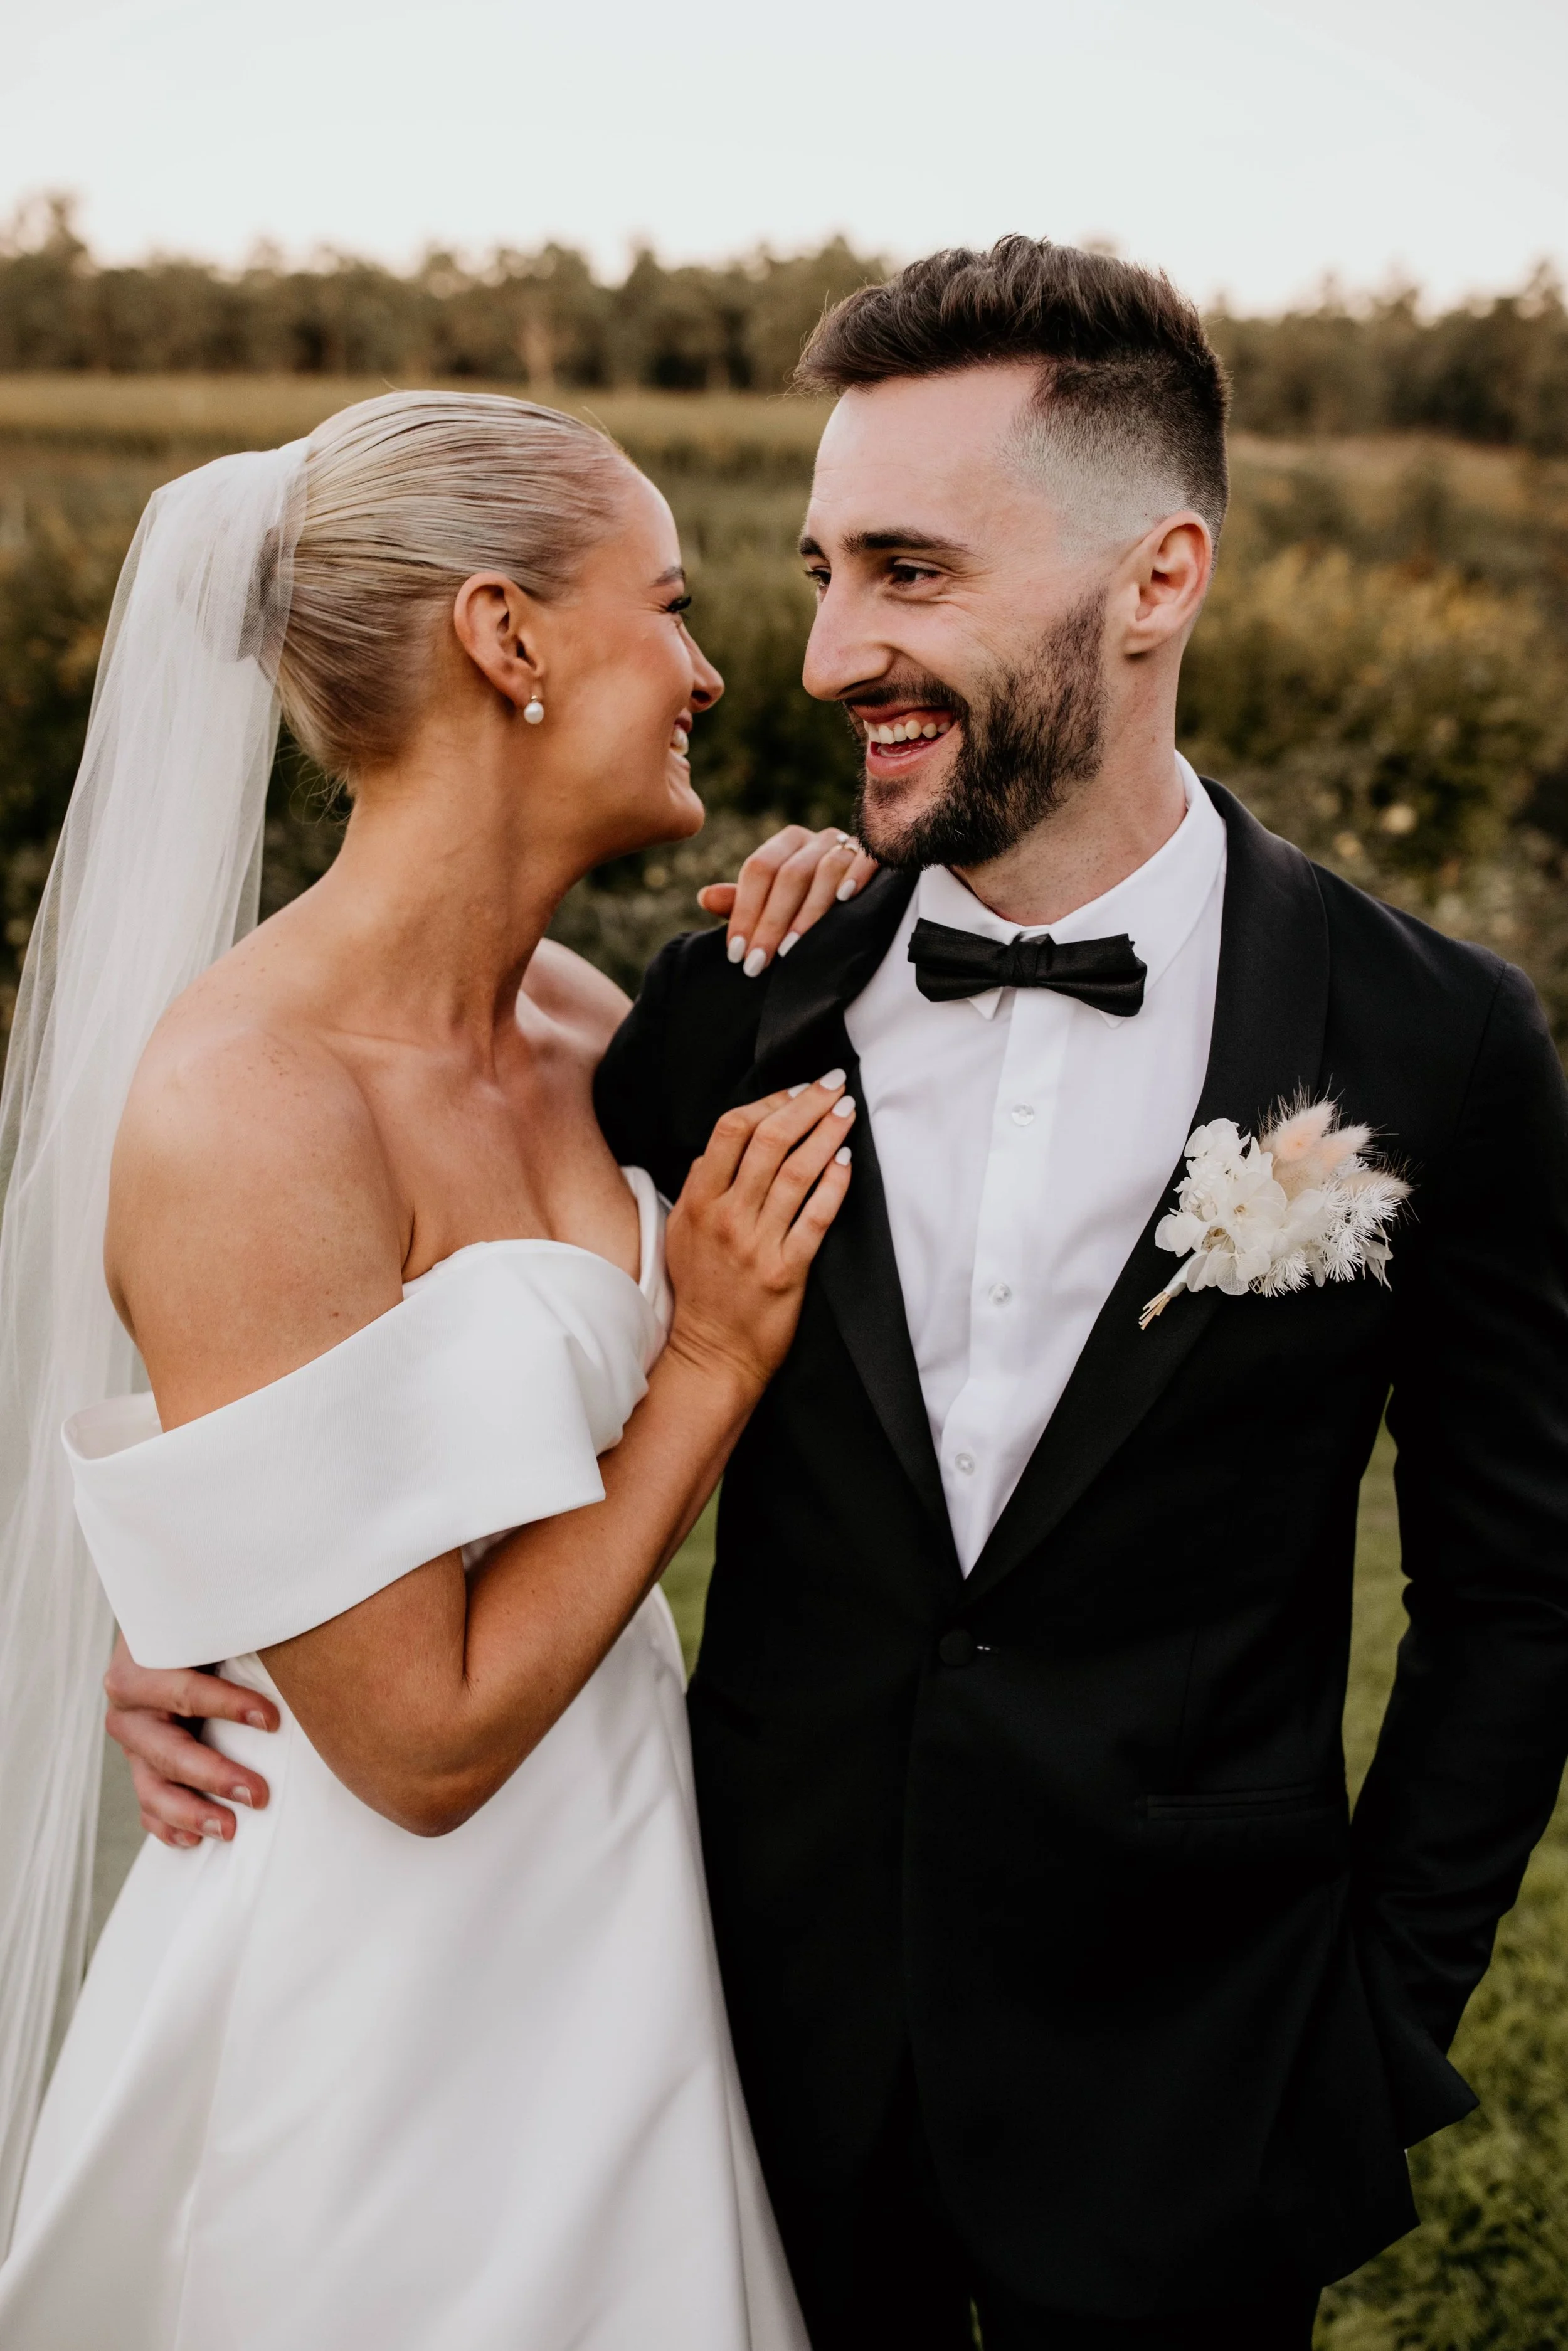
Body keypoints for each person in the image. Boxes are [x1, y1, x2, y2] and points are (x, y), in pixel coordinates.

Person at [109, 241, 1568, 2351]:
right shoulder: (724, 1012)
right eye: (814, 571)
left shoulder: (1436, 1038)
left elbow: (1513, 1595)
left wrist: (1371, 2023)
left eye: (907, 570)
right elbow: (353, 1290)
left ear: (1155, 580)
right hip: (742, 2058)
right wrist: (208, 1607)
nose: (819, 654)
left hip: (1198, 2087)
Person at [0, 389, 868, 2348]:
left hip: (620, 1891)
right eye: (667, 603)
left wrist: (841, 942)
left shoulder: (581, 1022)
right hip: (381, 1995)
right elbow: (414, 1745)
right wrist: (701, 1360)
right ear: (504, 634)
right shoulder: (250, 1102)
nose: (710, 670)